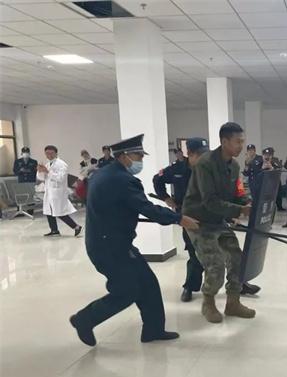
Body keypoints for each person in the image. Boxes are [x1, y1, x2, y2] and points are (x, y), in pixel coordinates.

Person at [69, 134, 199, 347]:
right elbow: (146, 208)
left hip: (110, 242)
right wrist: (179, 219)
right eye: (138, 156)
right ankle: (84, 319)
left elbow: (116, 205)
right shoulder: (123, 180)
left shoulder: (103, 173)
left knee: (147, 283)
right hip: (110, 247)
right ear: (124, 156)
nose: (141, 160)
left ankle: (153, 330)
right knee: (127, 291)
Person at [182, 122, 256, 324]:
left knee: (237, 258)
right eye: (237, 142)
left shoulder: (234, 165)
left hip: (217, 219)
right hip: (197, 221)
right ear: (224, 141)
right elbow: (210, 201)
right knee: (215, 264)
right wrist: (239, 210)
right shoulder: (205, 164)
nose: (241, 146)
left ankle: (233, 303)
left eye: (242, 142)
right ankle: (208, 302)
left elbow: (235, 193)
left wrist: (246, 202)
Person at [153, 140, 208, 303]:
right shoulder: (177, 169)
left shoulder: (209, 168)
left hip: (210, 215)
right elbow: (157, 180)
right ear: (190, 154)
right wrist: (166, 198)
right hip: (187, 217)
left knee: (227, 250)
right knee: (194, 251)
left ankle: (239, 284)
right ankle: (190, 286)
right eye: (200, 154)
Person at [37, 145, 82, 237]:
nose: (49, 155)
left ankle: (76, 227)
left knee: (59, 212)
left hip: (58, 192)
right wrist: (40, 171)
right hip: (49, 191)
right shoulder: (47, 164)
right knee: (49, 211)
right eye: (47, 153)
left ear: (56, 153)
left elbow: (60, 178)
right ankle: (54, 230)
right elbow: (42, 178)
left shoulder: (62, 164)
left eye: (51, 153)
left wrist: (48, 172)